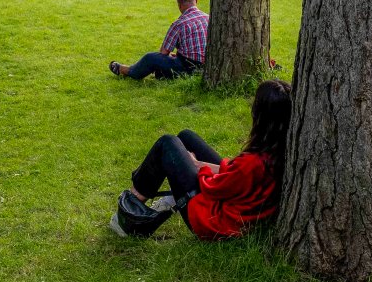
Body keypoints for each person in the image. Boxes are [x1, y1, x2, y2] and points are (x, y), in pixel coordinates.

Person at [110, 78, 291, 239]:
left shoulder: (252, 163)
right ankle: (168, 199)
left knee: (167, 143)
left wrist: (199, 168)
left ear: (260, 116)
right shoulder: (277, 151)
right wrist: (196, 163)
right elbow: (236, 174)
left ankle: (129, 216)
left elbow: (213, 188)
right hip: (231, 204)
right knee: (186, 137)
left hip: (210, 221)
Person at [109, 0, 207, 79]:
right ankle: (161, 73)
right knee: (168, 62)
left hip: (188, 69)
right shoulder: (209, 18)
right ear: (196, 0)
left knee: (151, 58)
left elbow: (163, 52)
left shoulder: (179, 24)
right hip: (206, 67)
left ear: (179, 5)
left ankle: (127, 70)